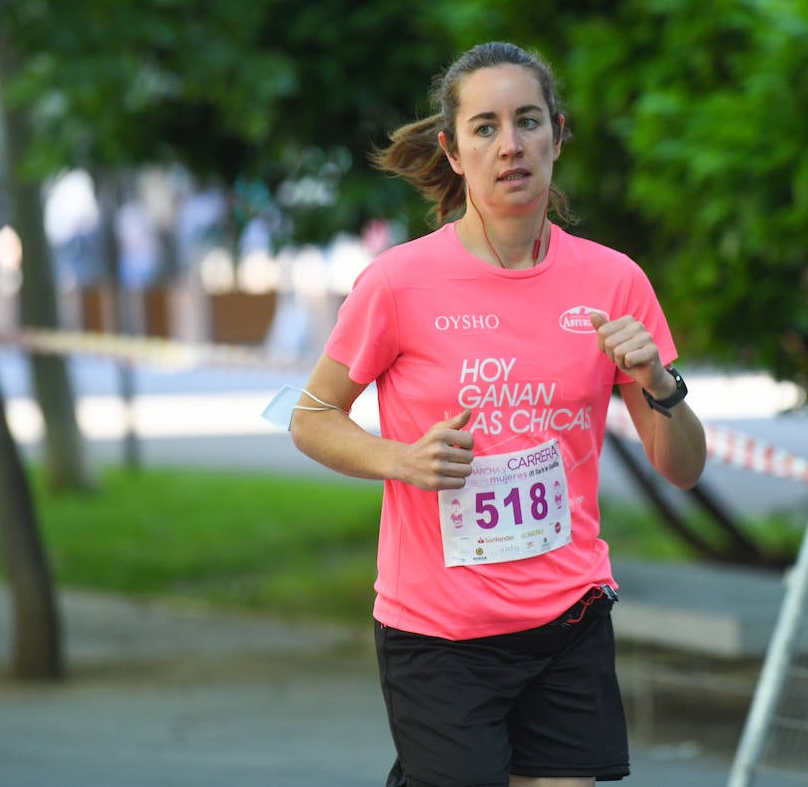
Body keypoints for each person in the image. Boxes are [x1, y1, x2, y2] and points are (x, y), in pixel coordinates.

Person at [288, 40, 706, 786]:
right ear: (452, 150)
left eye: (527, 121)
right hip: (441, 632)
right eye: (484, 127)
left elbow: (682, 468)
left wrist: (656, 381)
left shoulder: (614, 281)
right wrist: (400, 459)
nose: (509, 144)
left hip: (568, 619)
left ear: (557, 134)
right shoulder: (398, 284)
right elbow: (312, 416)